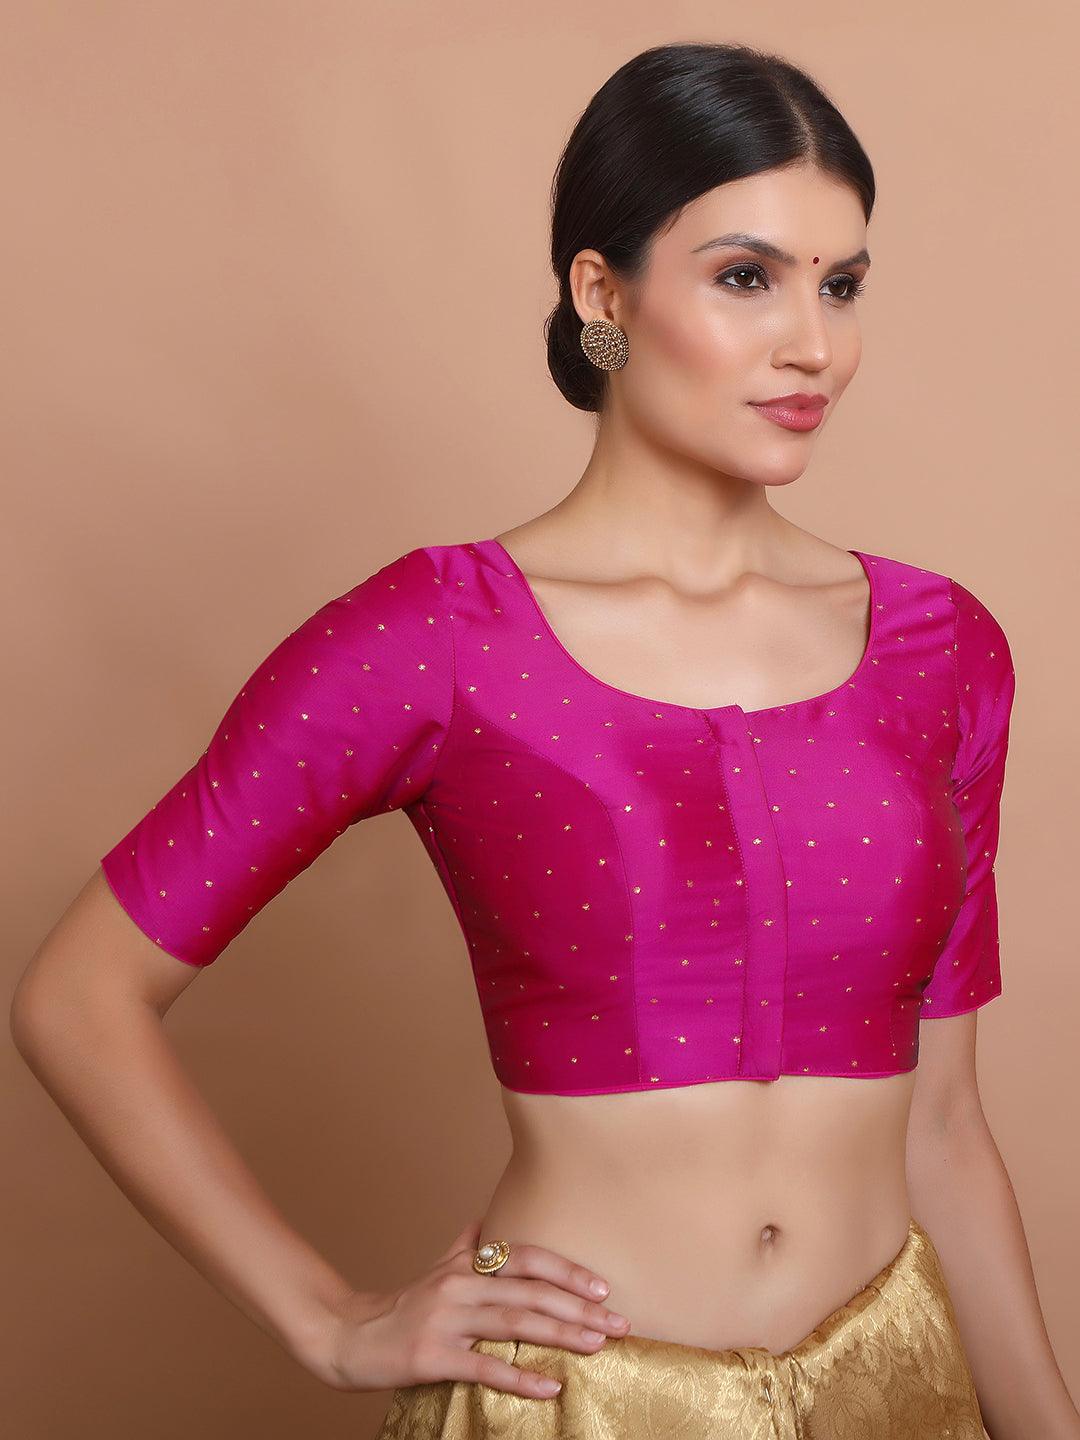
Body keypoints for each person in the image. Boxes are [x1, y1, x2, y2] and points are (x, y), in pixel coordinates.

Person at [10, 38, 1079, 1440]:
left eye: (841, 285)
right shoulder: (436, 639)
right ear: (602, 295)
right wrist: (329, 1318)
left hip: (897, 1389)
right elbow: (79, 997)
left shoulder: (943, 650)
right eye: (745, 277)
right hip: (577, 1405)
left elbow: (943, 1126)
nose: (812, 345)